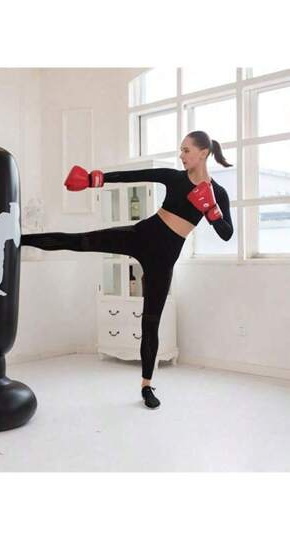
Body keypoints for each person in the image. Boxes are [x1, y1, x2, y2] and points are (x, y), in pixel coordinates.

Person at [22, 131, 234, 409]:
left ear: (203, 153)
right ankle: (19, 240)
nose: (181, 156)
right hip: (142, 235)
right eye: (181, 150)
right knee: (81, 241)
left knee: (151, 323)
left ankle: (147, 386)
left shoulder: (218, 193)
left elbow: (227, 234)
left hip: (164, 258)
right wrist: (94, 179)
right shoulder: (174, 178)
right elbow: (134, 176)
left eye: (186, 150)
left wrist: (212, 210)